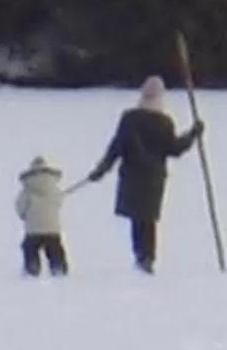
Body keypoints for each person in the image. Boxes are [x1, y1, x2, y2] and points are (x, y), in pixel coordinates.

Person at [82, 76, 197, 273]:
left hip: (132, 176)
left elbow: (117, 146)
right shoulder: (164, 122)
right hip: (153, 178)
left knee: (137, 218)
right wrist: (193, 134)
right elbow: (174, 149)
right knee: (147, 218)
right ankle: (147, 257)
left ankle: (141, 255)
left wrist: (102, 169)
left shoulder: (129, 118)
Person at [14, 156, 72, 277]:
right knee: (54, 248)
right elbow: (58, 203)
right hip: (52, 228)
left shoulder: (27, 190)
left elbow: (21, 208)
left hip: (33, 228)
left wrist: (24, 216)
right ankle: (59, 267)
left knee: (29, 247)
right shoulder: (54, 189)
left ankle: (32, 267)